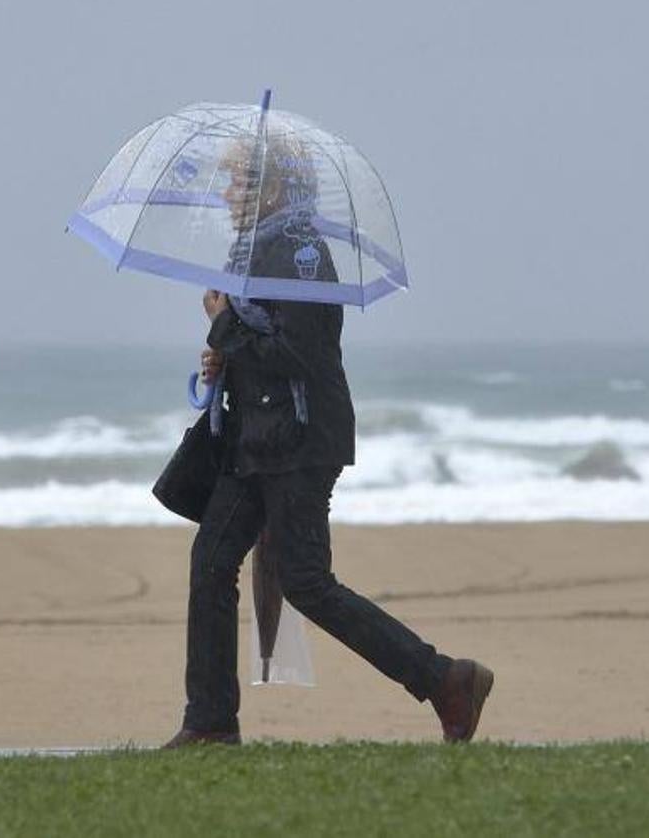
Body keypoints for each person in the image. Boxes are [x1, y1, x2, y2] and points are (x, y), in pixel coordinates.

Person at [162, 134, 493, 748]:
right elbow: (258, 347)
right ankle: (208, 722)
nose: (229, 195)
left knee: (308, 583)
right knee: (210, 563)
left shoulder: (301, 253)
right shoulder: (251, 251)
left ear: (275, 187)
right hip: (251, 439)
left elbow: (299, 353)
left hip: (299, 442)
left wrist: (223, 324)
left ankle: (447, 680)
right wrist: (221, 358)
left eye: (239, 182)